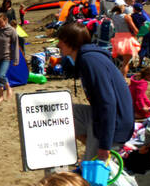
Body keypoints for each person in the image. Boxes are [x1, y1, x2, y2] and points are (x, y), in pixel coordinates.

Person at [56, 22, 134, 161]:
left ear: (70, 42)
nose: (58, 45)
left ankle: (98, 153)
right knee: (61, 113)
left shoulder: (90, 60)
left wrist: (104, 146)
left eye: (60, 41)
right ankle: (91, 147)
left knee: (93, 176)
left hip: (115, 123)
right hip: (102, 117)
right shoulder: (85, 57)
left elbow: (108, 104)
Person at [111, 5, 141, 75]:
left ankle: (121, 76)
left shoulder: (114, 16)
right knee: (125, 62)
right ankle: (123, 78)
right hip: (126, 39)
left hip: (118, 38)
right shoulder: (126, 16)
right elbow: (135, 30)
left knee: (124, 62)